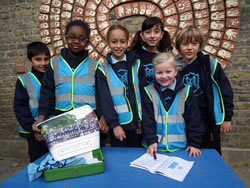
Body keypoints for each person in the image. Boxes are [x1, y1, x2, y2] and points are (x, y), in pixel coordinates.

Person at [32, 20, 100, 139]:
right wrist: (42, 117)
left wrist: (103, 116)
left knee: (89, 153)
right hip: (62, 117)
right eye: (71, 37)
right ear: (65, 38)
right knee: (67, 152)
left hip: (89, 118)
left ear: (87, 42)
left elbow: (101, 95)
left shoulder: (94, 65)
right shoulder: (55, 63)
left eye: (81, 38)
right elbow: (47, 93)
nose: (76, 41)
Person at [175, 25, 234, 154]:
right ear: (179, 46)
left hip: (207, 118)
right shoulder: (175, 67)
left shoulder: (210, 65)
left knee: (209, 152)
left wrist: (227, 118)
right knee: (187, 152)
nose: (190, 48)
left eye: (194, 44)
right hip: (184, 119)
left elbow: (226, 91)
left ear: (200, 45)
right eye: (185, 44)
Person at [142, 52, 204, 157]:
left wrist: (194, 143)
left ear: (176, 72)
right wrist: (151, 141)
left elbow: (194, 119)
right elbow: (148, 120)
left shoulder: (187, 92)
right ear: (154, 72)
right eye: (159, 72)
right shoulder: (148, 91)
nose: (164, 76)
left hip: (180, 148)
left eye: (168, 72)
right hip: (155, 148)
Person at [96, 24, 142, 147]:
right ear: (107, 42)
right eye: (114, 42)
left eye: (122, 41)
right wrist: (115, 125)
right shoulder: (102, 70)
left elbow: (143, 94)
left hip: (138, 125)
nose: (118, 46)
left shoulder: (137, 64)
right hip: (118, 128)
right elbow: (105, 100)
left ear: (128, 42)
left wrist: (141, 121)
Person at [14, 41, 51, 162]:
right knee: (38, 162)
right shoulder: (24, 80)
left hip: (52, 129)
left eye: (46, 59)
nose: (43, 63)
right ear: (30, 60)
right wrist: (33, 129)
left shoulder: (53, 78)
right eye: (38, 59)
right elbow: (20, 108)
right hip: (35, 133)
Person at [130, 16, 172, 87]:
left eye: (156, 32)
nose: (152, 36)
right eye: (148, 32)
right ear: (142, 35)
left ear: (161, 34)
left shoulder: (166, 56)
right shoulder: (135, 56)